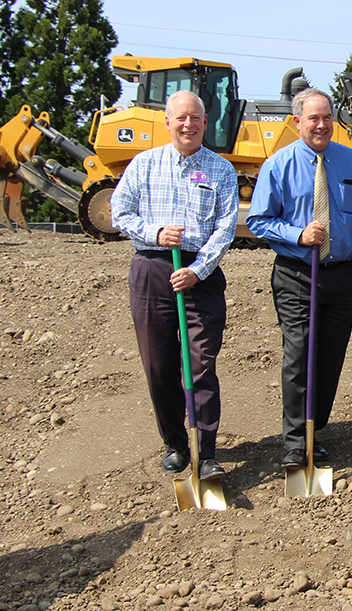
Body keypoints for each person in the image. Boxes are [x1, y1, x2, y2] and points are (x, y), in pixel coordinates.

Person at [111, 90, 239, 480]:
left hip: (200, 276)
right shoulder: (144, 164)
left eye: (195, 118)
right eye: (181, 118)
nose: (188, 124)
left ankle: (207, 449)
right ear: (167, 122)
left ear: (205, 123)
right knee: (159, 365)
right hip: (152, 270)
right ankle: (175, 445)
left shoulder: (220, 169)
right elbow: (119, 211)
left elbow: (225, 227)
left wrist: (198, 270)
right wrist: (155, 232)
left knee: (201, 365)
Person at [246, 88, 352, 469]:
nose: (321, 125)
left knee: (330, 358)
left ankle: (316, 432)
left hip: (339, 276)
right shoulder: (278, 165)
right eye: (313, 118)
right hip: (296, 275)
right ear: (297, 121)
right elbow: (258, 220)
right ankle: (295, 442)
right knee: (299, 356)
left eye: (327, 118)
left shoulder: (351, 162)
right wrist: (297, 234)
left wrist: (341, 237)